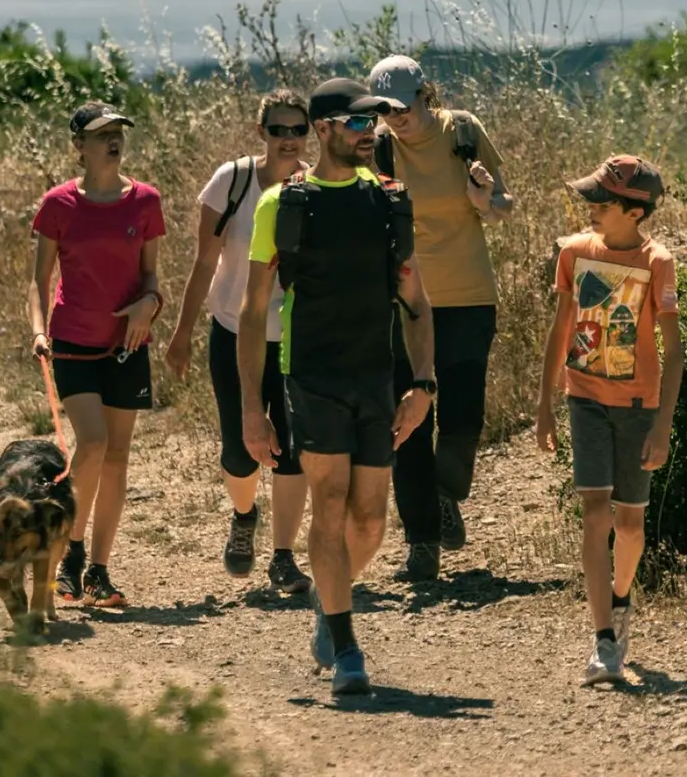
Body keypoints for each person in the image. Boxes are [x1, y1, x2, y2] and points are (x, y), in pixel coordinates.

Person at [238, 77, 436, 697]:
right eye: (355, 122)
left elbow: (416, 301)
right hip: (311, 375)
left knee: (371, 521)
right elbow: (252, 312)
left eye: (371, 122)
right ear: (322, 130)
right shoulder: (283, 206)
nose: (368, 132)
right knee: (329, 501)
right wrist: (251, 409)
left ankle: (329, 602)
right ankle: (348, 649)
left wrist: (423, 384)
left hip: (375, 375)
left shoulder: (390, 202)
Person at [535, 156, 683, 685]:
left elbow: (674, 352)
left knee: (629, 525)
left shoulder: (657, 262)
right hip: (586, 401)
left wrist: (663, 426)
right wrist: (545, 405)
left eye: (601, 201)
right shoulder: (574, 253)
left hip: (639, 407)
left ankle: (621, 599)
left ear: (634, 211)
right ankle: (603, 641)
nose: (591, 209)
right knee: (595, 514)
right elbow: (560, 329)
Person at [367, 54, 514, 582]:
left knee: (463, 418)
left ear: (425, 95)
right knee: (406, 423)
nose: (395, 118)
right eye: (385, 110)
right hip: (403, 304)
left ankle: (447, 493)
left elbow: (505, 205)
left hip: (468, 295)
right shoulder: (378, 148)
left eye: (402, 107)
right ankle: (422, 543)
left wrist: (484, 200)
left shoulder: (464, 132)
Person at [165, 89, 312, 592]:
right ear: (261, 132)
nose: (289, 139)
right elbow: (204, 263)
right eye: (279, 129)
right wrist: (182, 333)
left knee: (293, 447)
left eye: (298, 129)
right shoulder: (231, 182)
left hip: (293, 338)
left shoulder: (314, 188)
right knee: (239, 451)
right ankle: (245, 515)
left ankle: (284, 556)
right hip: (232, 330)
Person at [28, 102, 166, 608]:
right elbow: (38, 282)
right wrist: (37, 331)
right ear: (79, 146)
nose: (113, 141)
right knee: (92, 443)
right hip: (72, 342)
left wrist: (149, 305)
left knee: (118, 456)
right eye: (102, 133)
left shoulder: (146, 201)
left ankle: (99, 572)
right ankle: (71, 549)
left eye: (118, 133)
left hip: (127, 345)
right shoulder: (58, 204)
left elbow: (151, 278)